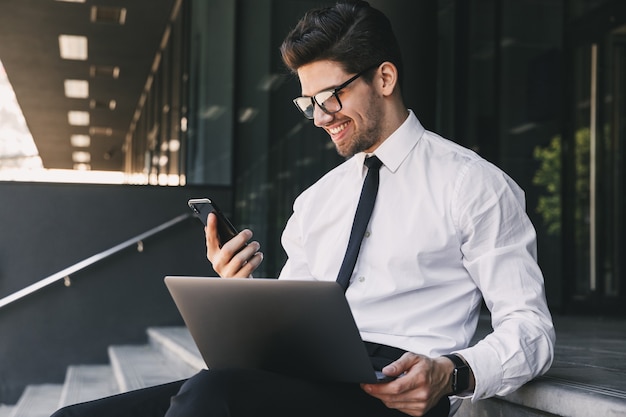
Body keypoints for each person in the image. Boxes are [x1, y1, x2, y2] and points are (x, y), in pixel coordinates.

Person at [51, 1, 554, 416]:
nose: (319, 118)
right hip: (300, 379)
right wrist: (241, 293)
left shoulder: (475, 185)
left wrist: (454, 371)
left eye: (330, 97)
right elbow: (292, 322)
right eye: (308, 102)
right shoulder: (317, 199)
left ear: (384, 78)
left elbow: (531, 329)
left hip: (391, 394)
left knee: (214, 395)